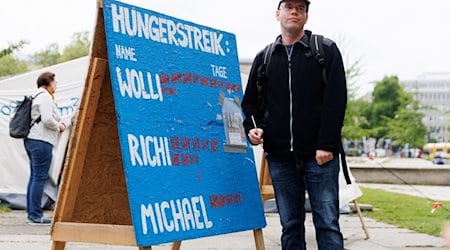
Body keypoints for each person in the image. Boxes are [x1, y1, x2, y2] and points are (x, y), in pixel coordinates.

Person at [241, 0, 347, 249]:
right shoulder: (264, 58)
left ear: (306, 17)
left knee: (328, 224)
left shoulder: (325, 50)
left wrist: (326, 145)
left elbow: (336, 100)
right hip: (279, 157)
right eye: (289, 6)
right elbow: (250, 105)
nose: (294, 11)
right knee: (290, 226)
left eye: (300, 8)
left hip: (320, 156)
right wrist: (253, 128)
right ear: (278, 13)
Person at [24, 72, 66, 225]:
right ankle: (35, 215)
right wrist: (59, 126)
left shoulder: (35, 95)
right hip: (41, 141)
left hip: (31, 140)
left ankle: (32, 214)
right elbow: (48, 119)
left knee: (35, 177)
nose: (56, 85)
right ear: (48, 83)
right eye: (55, 82)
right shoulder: (45, 97)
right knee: (39, 177)